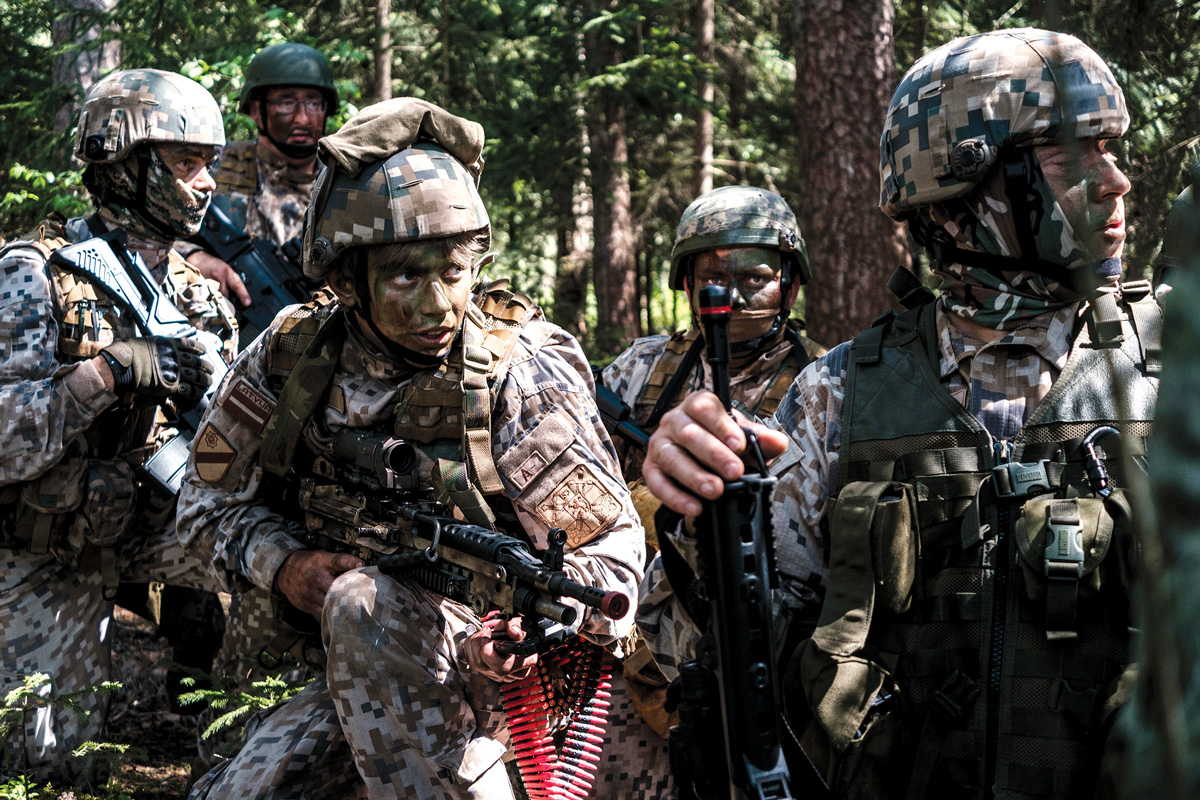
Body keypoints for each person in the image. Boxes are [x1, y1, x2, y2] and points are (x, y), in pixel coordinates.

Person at [640, 28, 1158, 799]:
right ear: (965, 187)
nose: (1116, 181)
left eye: (1112, 148)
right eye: (1071, 156)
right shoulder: (836, 394)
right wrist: (701, 517)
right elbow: (699, 645)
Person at [177, 97, 644, 799]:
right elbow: (201, 504)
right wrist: (286, 566)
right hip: (356, 667)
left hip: (511, 687)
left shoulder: (517, 377)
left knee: (362, 604)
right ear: (347, 279)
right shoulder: (292, 358)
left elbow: (611, 554)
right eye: (406, 277)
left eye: (454, 272)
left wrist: (532, 628)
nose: (438, 307)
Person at [0, 68, 236, 786]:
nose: (205, 184)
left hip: (156, 521)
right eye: (186, 162)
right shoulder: (34, 275)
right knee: (45, 767)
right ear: (125, 162)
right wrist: (103, 376)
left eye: (210, 164)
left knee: (296, 565)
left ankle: (245, 741)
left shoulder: (197, 295)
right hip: (47, 545)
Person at [595, 184, 823, 797]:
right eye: (712, 276)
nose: (733, 293)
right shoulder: (640, 372)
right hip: (631, 648)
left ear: (790, 286)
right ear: (688, 285)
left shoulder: (824, 384)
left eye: (755, 276)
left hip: (765, 656)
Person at [180, 41, 338, 309]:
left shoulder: (346, 183)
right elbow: (143, 231)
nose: (302, 118)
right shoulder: (212, 165)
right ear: (256, 109)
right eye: (286, 102)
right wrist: (193, 257)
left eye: (313, 103)